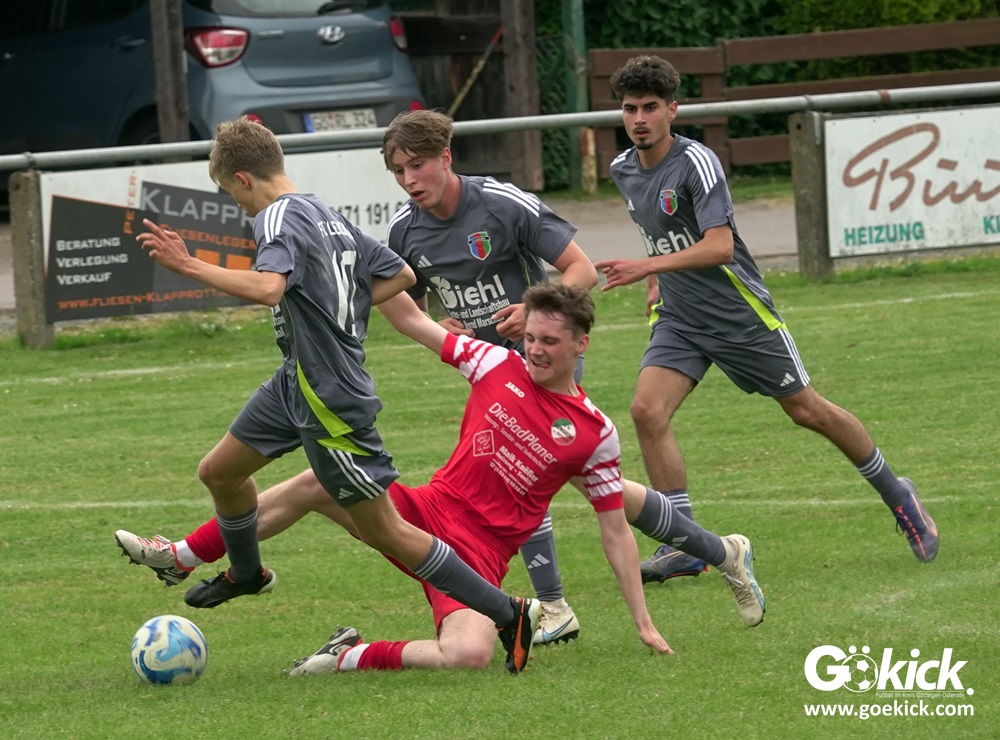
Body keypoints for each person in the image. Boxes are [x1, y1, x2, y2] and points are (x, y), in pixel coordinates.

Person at [119, 284, 765, 676]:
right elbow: (412, 321)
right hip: (425, 511)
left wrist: (642, 622)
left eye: (550, 341)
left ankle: (347, 655)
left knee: (470, 656)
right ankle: (185, 553)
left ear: (581, 345)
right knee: (320, 479)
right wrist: (369, 265)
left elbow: (614, 530)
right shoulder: (493, 362)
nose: (536, 350)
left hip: (478, 557)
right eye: (532, 338)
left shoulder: (594, 432)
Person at [133, 116, 542, 674]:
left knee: (386, 530)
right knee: (220, 472)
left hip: (328, 394)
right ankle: (247, 573)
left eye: (231, 193)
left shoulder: (275, 216)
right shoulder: (322, 212)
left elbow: (270, 287)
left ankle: (507, 612)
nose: (237, 204)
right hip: (294, 379)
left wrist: (187, 264)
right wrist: (336, 307)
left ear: (244, 179)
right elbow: (401, 274)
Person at [593, 55, 938, 574]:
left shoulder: (697, 163)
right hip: (681, 317)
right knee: (647, 411)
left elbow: (720, 246)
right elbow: (662, 233)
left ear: (672, 110)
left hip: (739, 315)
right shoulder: (623, 169)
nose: (639, 119)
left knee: (807, 412)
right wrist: (659, 279)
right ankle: (686, 545)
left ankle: (898, 494)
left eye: (650, 107)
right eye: (629, 109)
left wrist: (647, 267)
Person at [381, 109, 598, 642]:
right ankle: (713, 548)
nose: (409, 180)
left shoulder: (501, 204)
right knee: (576, 481)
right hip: (485, 374)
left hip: (540, 360)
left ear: (445, 157)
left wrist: (535, 313)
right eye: (398, 171)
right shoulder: (404, 230)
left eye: (417, 165)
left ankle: (554, 608)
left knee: (520, 477)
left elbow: (582, 270)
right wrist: (437, 325)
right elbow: (406, 302)